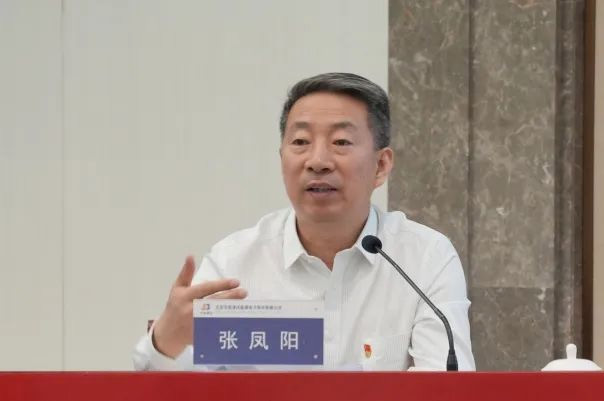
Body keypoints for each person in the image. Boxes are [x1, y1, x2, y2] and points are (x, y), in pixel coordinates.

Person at [133, 72, 475, 371]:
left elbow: (447, 386)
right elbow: (175, 387)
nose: (318, 160)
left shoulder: (423, 258)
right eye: (300, 142)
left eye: (341, 142)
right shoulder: (234, 263)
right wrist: (166, 340)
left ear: (381, 165)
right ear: (282, 158)